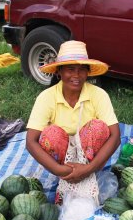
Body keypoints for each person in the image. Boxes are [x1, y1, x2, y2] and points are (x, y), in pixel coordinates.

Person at [25, 40, 121, 203]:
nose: (76, 75)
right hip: (62, 157)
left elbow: (116, 136)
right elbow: (30, 141)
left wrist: (89, 169)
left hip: (90, 154)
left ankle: (87, 175)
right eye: (70, 69)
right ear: (59, 72)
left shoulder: (98, 95)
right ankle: (68, 178)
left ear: (88, 73)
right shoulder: (46, 97)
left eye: (82, 70)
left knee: (98, 127)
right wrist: (59, 169)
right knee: (51, 134)